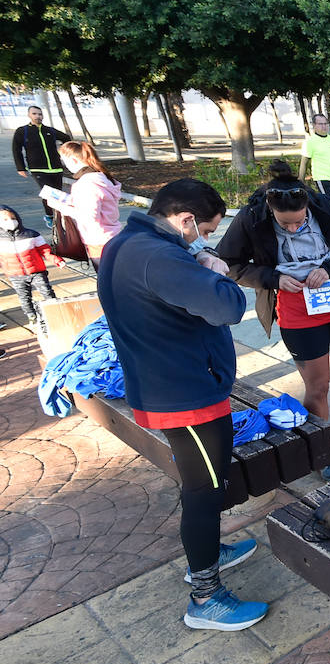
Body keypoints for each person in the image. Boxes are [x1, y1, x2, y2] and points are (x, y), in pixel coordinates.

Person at [97, 179, 268, 631]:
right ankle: (205, 595)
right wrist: (214, 269)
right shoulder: (158, 256)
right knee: (204, 490)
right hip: (184, 395)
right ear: (186, 219)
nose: (206, 239)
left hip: (169, 383)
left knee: (201, 483)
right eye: (206, 230)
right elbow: (227, 307)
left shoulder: (130, 242)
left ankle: (206, 551)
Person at [218, 163, 330, 482]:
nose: (292, 229)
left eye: (299, 222)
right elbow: (229, 263)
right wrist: (273, 278)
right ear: (270, 209)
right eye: (284, 223)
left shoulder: (326, 207)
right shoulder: (251, 218)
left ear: (308, 207)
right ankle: (323, 455)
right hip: (296, 308)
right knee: (318, 387)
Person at [43, 141, 122, 269]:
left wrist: (61, 207)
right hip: (112, 234)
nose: (64, 165)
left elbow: (89, 217)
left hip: (98, 240)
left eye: (64, 160)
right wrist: (67, 200)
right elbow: (95, 204)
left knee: (109, 280)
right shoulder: (101, 178)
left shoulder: (86, 184)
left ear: (73, 160)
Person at [0, 205, 60, 334]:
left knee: (47, 292)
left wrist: (56, 260)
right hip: (15, 275)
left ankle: (55, 310)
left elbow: (44, 250)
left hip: (37, 271)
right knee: (24, 297)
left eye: (13, 218)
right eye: (5, 219)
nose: (10, 221)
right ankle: (32, 317)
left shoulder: (31, 234)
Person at [11, 105, 70, 225]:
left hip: (56, 168)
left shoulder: (50, 130)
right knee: (48, 193)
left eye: (40, 114)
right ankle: (49, 216)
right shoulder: (23, 131)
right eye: (34, 114)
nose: (38, 116)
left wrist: (63, 153)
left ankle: (59, 217)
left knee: (57, 193)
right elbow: (16, 149)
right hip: (38, 169)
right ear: (29, 115)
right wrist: (20, 167)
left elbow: (66, 138)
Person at [299, 112, 330, 196]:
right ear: (314, 125)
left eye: (325, 124)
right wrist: (300, 183)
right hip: (323, 179)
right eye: (321, 124)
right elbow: (304, 163)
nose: (324, 126)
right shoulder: (310, 142)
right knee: (329, 203)